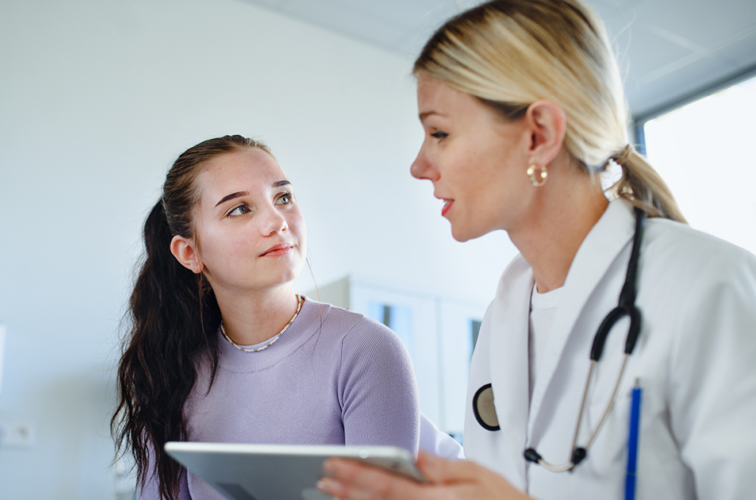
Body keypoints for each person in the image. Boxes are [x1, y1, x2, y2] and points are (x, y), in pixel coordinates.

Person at [317, 1, 756, 499]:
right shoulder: (502, 323)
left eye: (439, 132)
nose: (420, 165)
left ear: (539, 135)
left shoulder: (712, 288)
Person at [111, 135, 424, 500]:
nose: (278, 221)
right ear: (189, 253)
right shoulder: (170, 372)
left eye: (283, 197)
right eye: (240, 209)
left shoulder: (366, 350)